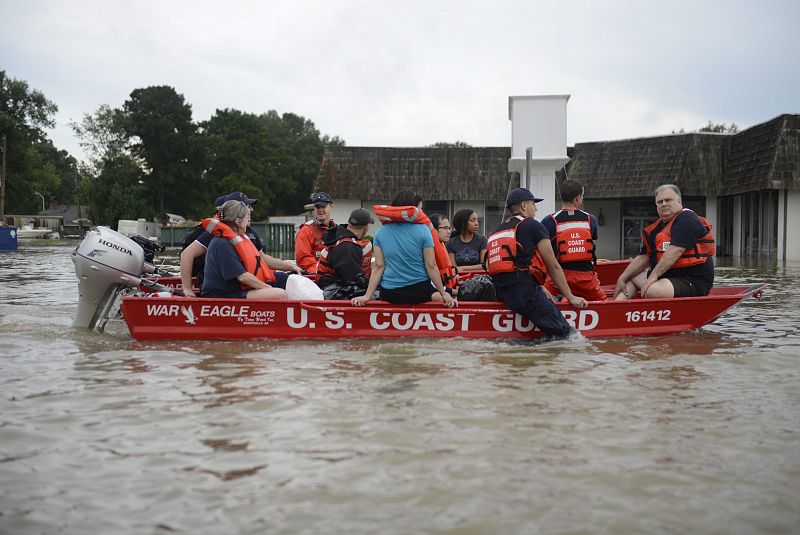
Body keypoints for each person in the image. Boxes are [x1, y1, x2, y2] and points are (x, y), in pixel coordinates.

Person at [487, 187, 588, 339]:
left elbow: (507, 266)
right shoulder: (534, 226)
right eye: (533, 204)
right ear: (524, 206)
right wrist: (571, 297)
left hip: (502, 293)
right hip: (524, 293)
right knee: (568, 335)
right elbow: (552, 266)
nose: (535, 208)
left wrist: (539, 286)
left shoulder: (496, 232)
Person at [180, 191, 300, 296]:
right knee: (278, 293)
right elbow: (186, 254)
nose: (251, 210)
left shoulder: (248, 234)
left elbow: (262, 259)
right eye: (247, 207)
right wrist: (187, 289)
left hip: (243, 282)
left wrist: (289, 266)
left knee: (285, 279)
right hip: (225, 286)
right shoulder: (219, 237)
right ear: (235, 211)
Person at [352, 191, 456, 307]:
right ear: (414, 210)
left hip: (390, 293)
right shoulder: (423, 230)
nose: (422, 213)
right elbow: (431, 266)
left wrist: (367, 296)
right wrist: (443, 293)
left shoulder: (380, 232)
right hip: (418, 292)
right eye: (420, 209)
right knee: (438, 294)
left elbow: (379, 267)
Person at [614, 184, 715, 300]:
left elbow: (675, 251)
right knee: (630, 275)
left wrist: (652, 277)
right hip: (667, 278)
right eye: (660, 202)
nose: (664, 204)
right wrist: (622, 278)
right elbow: (644, 257)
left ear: (679, 201)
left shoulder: (687, 219)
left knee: (652, 291)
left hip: (692, 280)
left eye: (668, 200)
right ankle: (617, 308)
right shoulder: (656, 228)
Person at [201, 200, 290, 299]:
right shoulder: (222, 244)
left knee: (283, 279)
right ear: (238, 221)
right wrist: (268, 288)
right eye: (247, 217)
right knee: (279, 294)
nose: (249, 221)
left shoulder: (236, 239)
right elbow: (243, 277)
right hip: (222, 295)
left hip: (237, 289)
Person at [540, 180, 606, 301]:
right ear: (577, 199)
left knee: (544, 299)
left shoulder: (548, 221)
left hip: (557, 279)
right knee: (603, 303)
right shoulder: (590, 219)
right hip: (586, 279)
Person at [316, 208, 374, 292]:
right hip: (333, 290)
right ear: (366, 227)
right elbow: (352, 279)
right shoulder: (347, 246)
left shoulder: (342, 238)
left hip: (332, 286)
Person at [295, 191, 336, 274]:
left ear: (331, 207)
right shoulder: (306, 231)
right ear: (314, 208)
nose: (320, 210)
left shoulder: (337, 229)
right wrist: (323, 270)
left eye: (323, 206)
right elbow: (303, 259)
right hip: (314, 275)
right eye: (317, 207)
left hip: (332, 274)